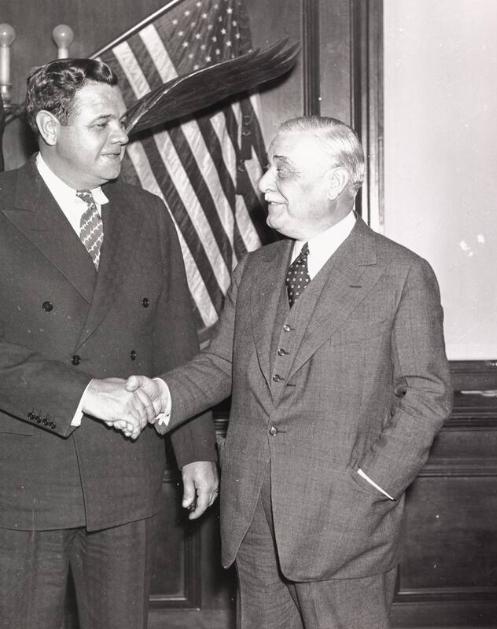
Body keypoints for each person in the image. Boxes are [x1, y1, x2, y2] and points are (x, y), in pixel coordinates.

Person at [128, 116, 453, 629]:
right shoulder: (255, 270)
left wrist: (369, 490)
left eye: (281, 170)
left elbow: (426, 398)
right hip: (252, 520)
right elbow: (220, 365)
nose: (262, 184)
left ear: (334, 182)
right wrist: (159, 393)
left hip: (346, 525)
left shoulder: (401, 274)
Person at [0, 58, 218, 629]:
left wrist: (195, 449)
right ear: (49, 129)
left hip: (125, 472)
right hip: (25, 481)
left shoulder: (147, 213)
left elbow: (176, 336)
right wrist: (83, 392)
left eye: (122, 121)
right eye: (102, 124)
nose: (122, 135)